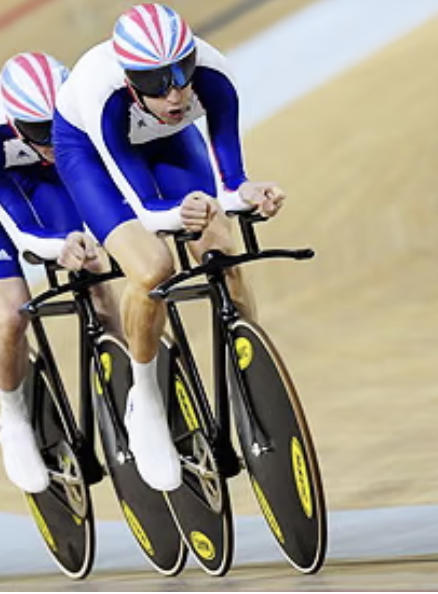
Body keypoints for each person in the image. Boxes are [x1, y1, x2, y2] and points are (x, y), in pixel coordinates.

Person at [53, 3, 286, 491]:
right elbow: (144, 208)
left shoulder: (215, 75)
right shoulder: (102, 92)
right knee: (152, 268)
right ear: (131, 79)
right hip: (93, 156)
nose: (176, 93)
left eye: (182, 74)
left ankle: (248, 369)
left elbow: (230, 183)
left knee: (221, 253)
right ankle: (144, 399)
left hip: (170, 141)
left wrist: (249, 193)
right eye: (157, 83)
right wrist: (183, 212)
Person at [0, 52, 117, 493]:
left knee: (95, 269)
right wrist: (59, 246)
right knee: (10, 314)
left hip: (45, 178)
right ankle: (13, 416)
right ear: (16, 123)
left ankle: (123, 369)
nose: (52, 140)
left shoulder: (74, 111)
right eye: (41, 132)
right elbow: (21, 232)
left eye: (56, 128)